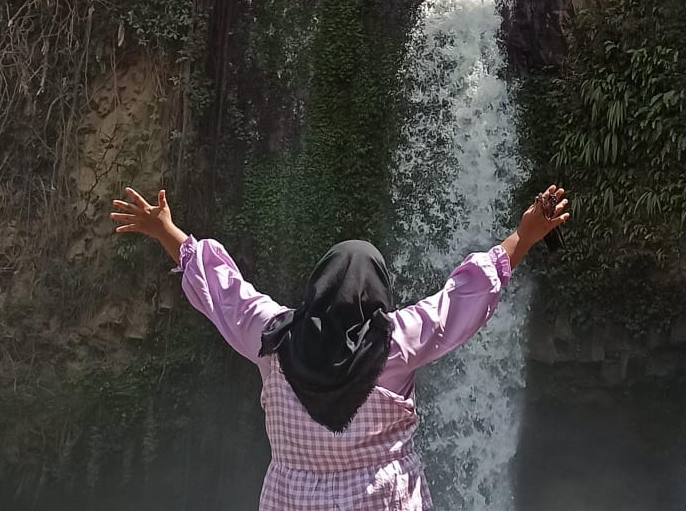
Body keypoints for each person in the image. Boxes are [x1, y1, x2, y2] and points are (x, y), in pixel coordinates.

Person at [109, 184, 571, 511]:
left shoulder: (271, 336)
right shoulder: (396, 344)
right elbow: (462, 298)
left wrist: (165, 232)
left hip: (293, 502)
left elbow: (223, 291)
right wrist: (525, 236)